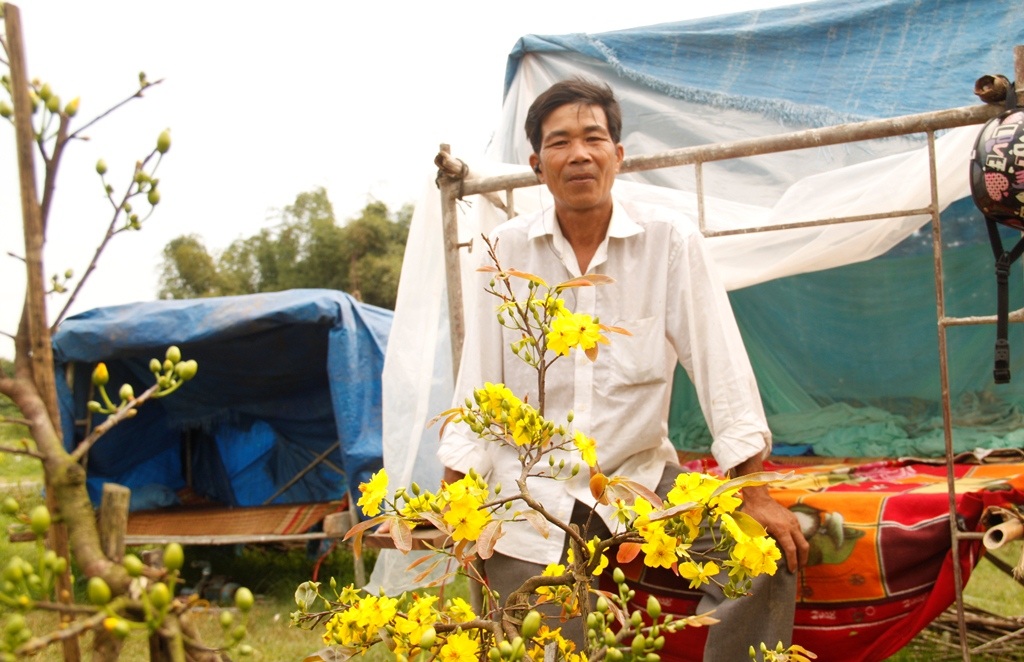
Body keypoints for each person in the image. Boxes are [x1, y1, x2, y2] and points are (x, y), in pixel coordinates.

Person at [438, 77, 808, 661]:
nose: (579, 153)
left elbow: (721, 364)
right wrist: (456, 495)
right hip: (529, 486)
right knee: (534, 638)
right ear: (537, 164)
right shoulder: (504, 251)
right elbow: (478, 382)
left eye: (594, 137)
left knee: (759, 558)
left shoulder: (669, 241)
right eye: (560, 142)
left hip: (639, 480)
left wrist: (751, 490)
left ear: (618, 155)